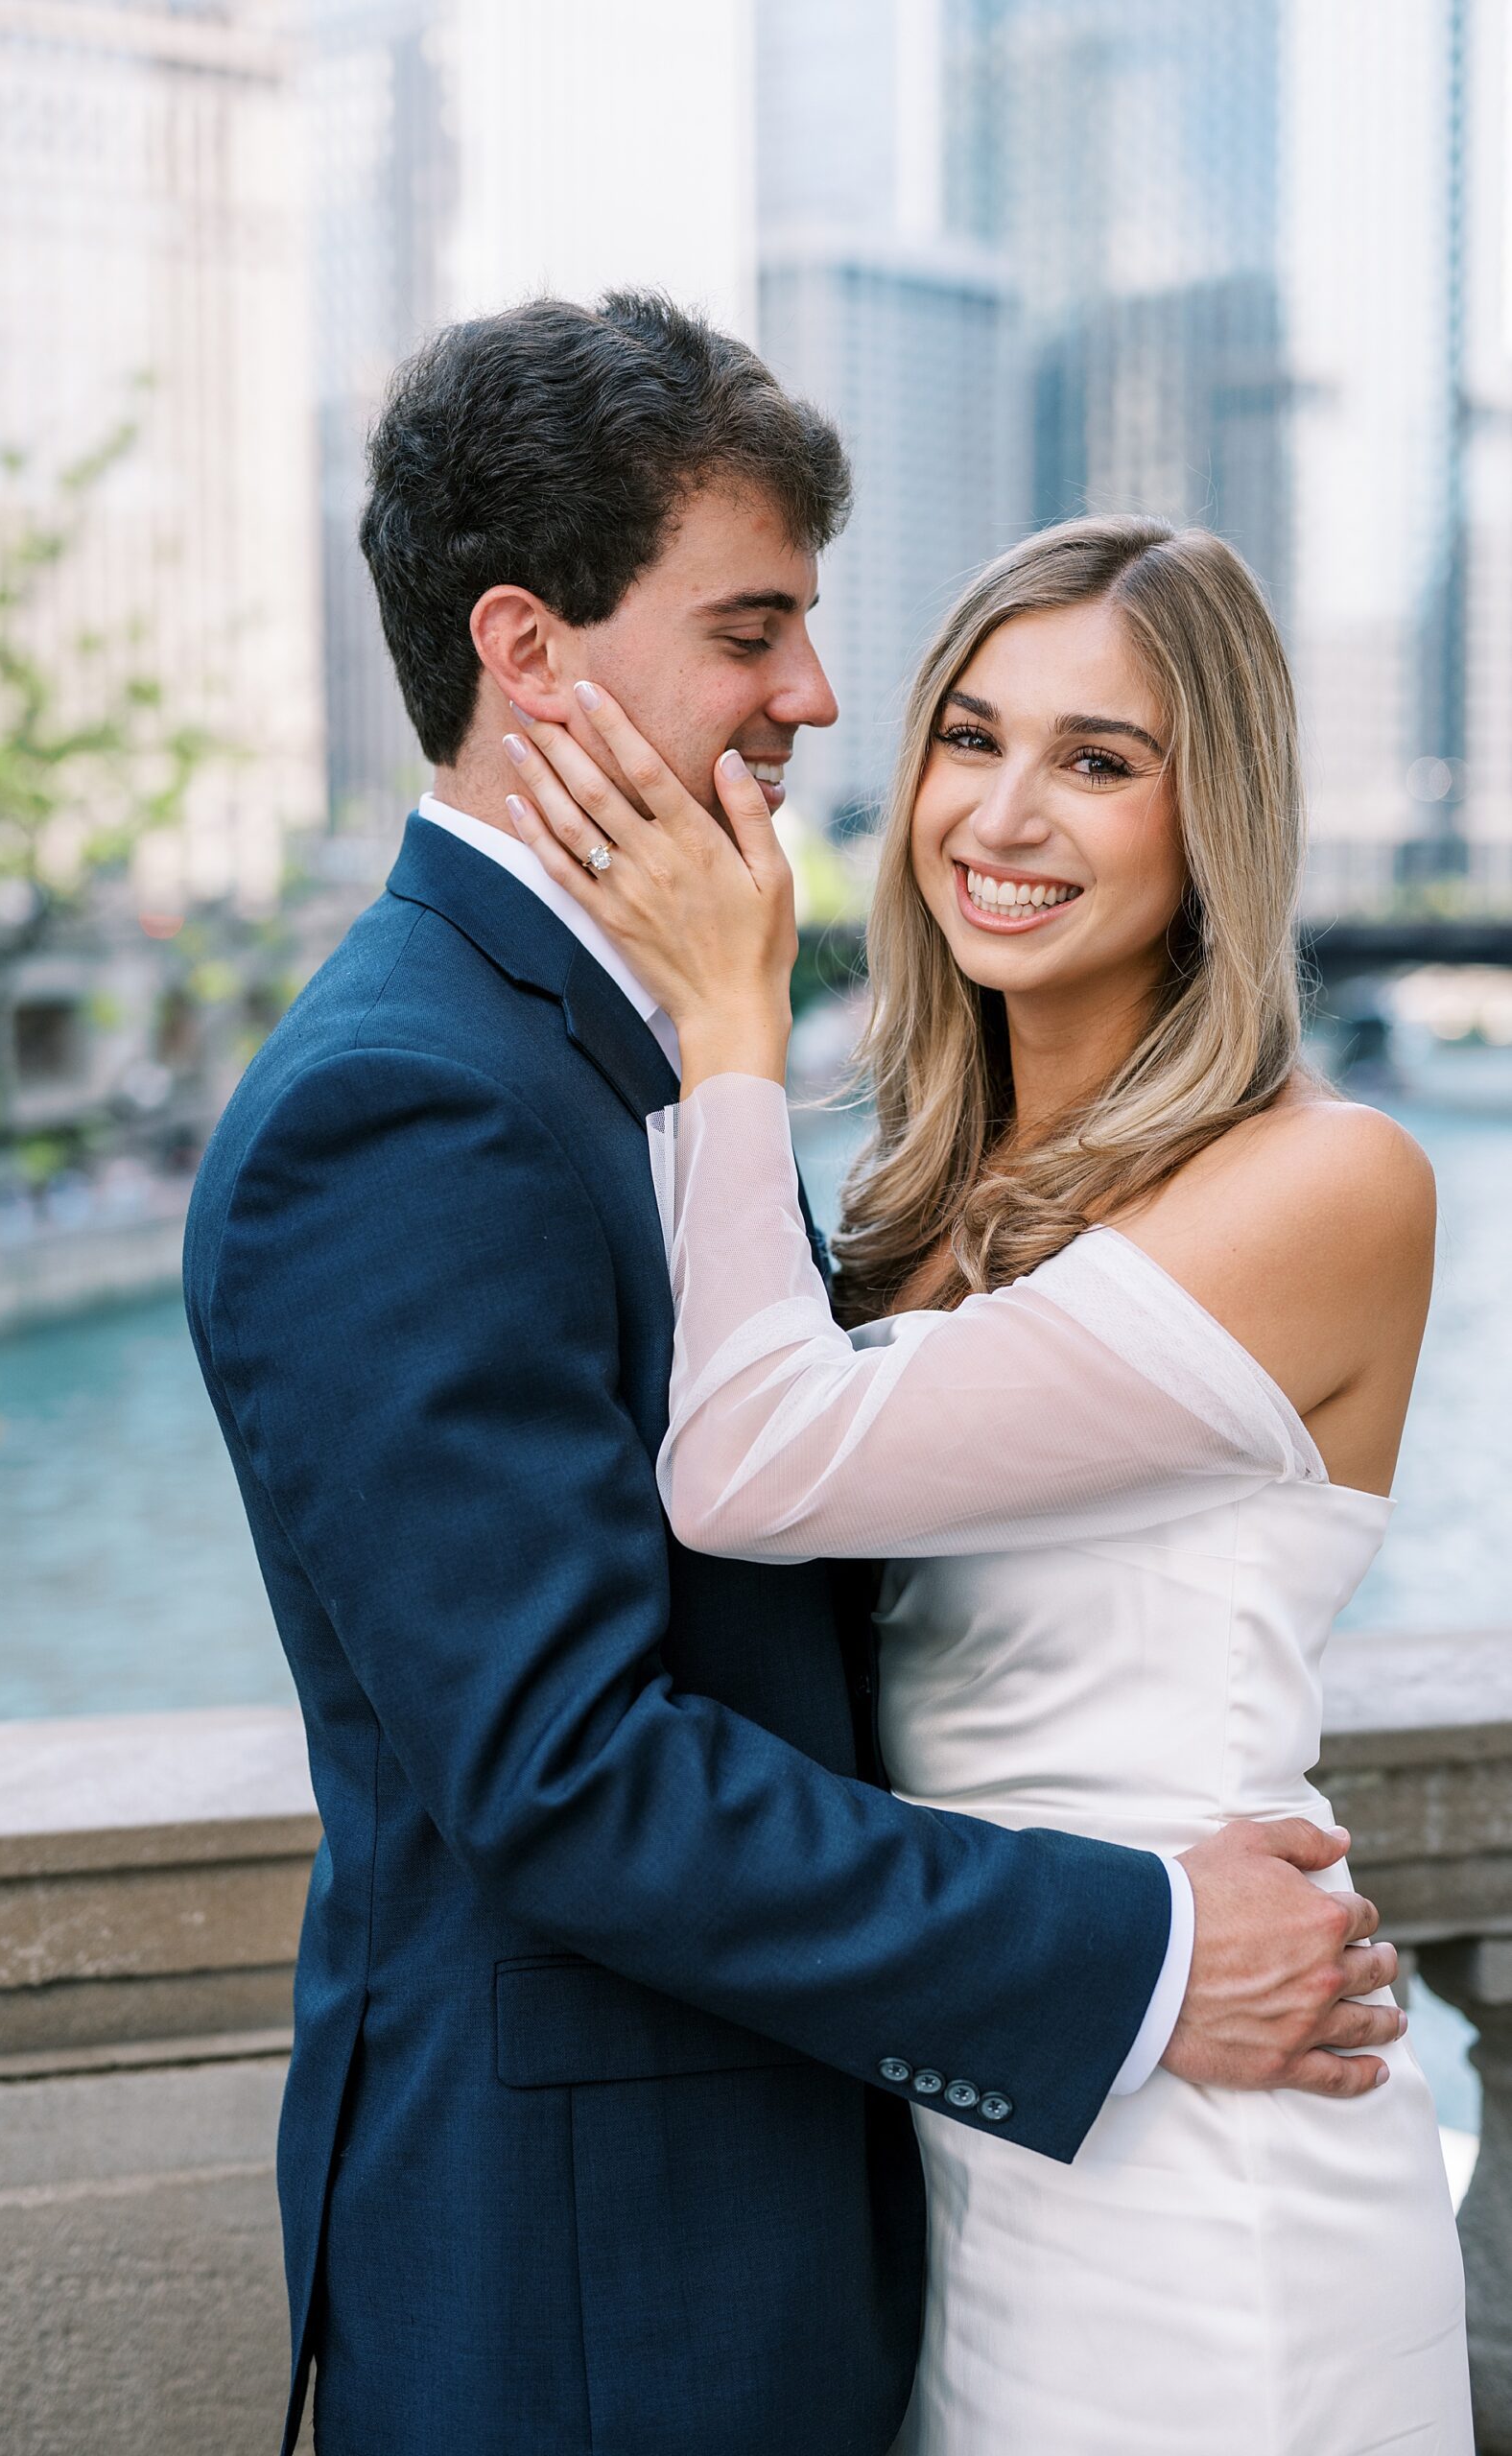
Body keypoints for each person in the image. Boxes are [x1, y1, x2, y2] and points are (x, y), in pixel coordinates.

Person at [183, 297, 1404, 2456]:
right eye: (753, 631)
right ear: (526, 650)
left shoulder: (624, 1059)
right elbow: (566, 1771)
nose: (817, 700)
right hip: (598, 2285)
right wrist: (1138, 1943)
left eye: (1098, 756)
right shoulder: (412, 1099)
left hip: (925, 2196)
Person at [501, 508, 1471, 2453]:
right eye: (968, 736)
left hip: (1211, 2180)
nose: (1001, 814)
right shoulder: (917, 1205)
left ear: (1214, 818)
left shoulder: (1325, 1181)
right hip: (983, 2119)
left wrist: (727, 1016)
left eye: (1096, 761)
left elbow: (750, 1467)